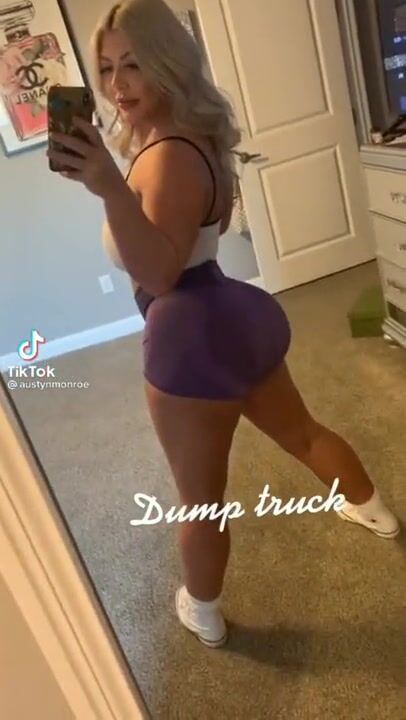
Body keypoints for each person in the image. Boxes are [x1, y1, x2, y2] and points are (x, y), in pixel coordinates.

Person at [48, 0, 400, 649]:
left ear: (167, 62)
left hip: (187, 337)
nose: (118, 84)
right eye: (107, 67)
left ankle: (202, 609)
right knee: (301, 431)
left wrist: (110, 189)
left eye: (134, 64)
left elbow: (159, 273)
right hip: (232, 313)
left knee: (201, 499)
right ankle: (372, 508)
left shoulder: (164, 157)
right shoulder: (192, 134)